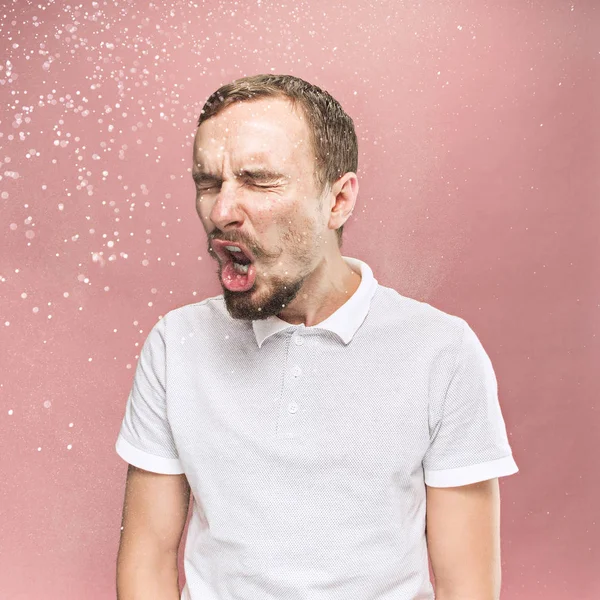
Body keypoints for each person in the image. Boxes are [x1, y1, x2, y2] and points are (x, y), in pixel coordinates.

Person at [115, 74, 519, 600]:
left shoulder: (441, 352)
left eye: (259, 180)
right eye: (209, 183)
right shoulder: (176, 345)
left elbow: (468, 585)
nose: (220, 213)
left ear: (338, 201)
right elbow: (147, 556)